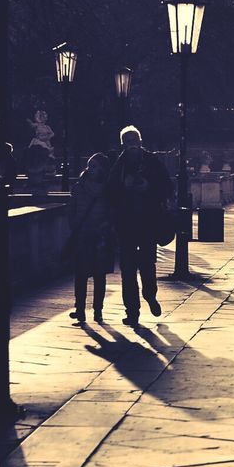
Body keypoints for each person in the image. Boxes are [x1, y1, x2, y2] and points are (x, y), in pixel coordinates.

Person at [105, 126, 173, 327]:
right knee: (127, 270)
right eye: (127, 142)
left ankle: (150, 296)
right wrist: (122, 187)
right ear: (123, 144)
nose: (131, 145)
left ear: (140, 141)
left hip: (148, 223)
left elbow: (167, 187)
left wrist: (148, 187)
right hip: (125, 225)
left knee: (146, 266)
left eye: (134, 140)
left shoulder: (152, 162)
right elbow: (109, 193)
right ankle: (132, 311)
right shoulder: (119, 165)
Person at [68, 153, 113, 324]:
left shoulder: (107, 189)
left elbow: (111, 212)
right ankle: (81, 309)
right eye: (89, 165)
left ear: (102, 168)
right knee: (82, 275)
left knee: (97, 276)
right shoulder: (79, 187)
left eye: (94, 166)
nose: (90, 169)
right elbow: (71, 208)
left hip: (99, 236)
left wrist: (104, 226)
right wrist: (74, 224)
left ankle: (96, 310)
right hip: (84, 234)